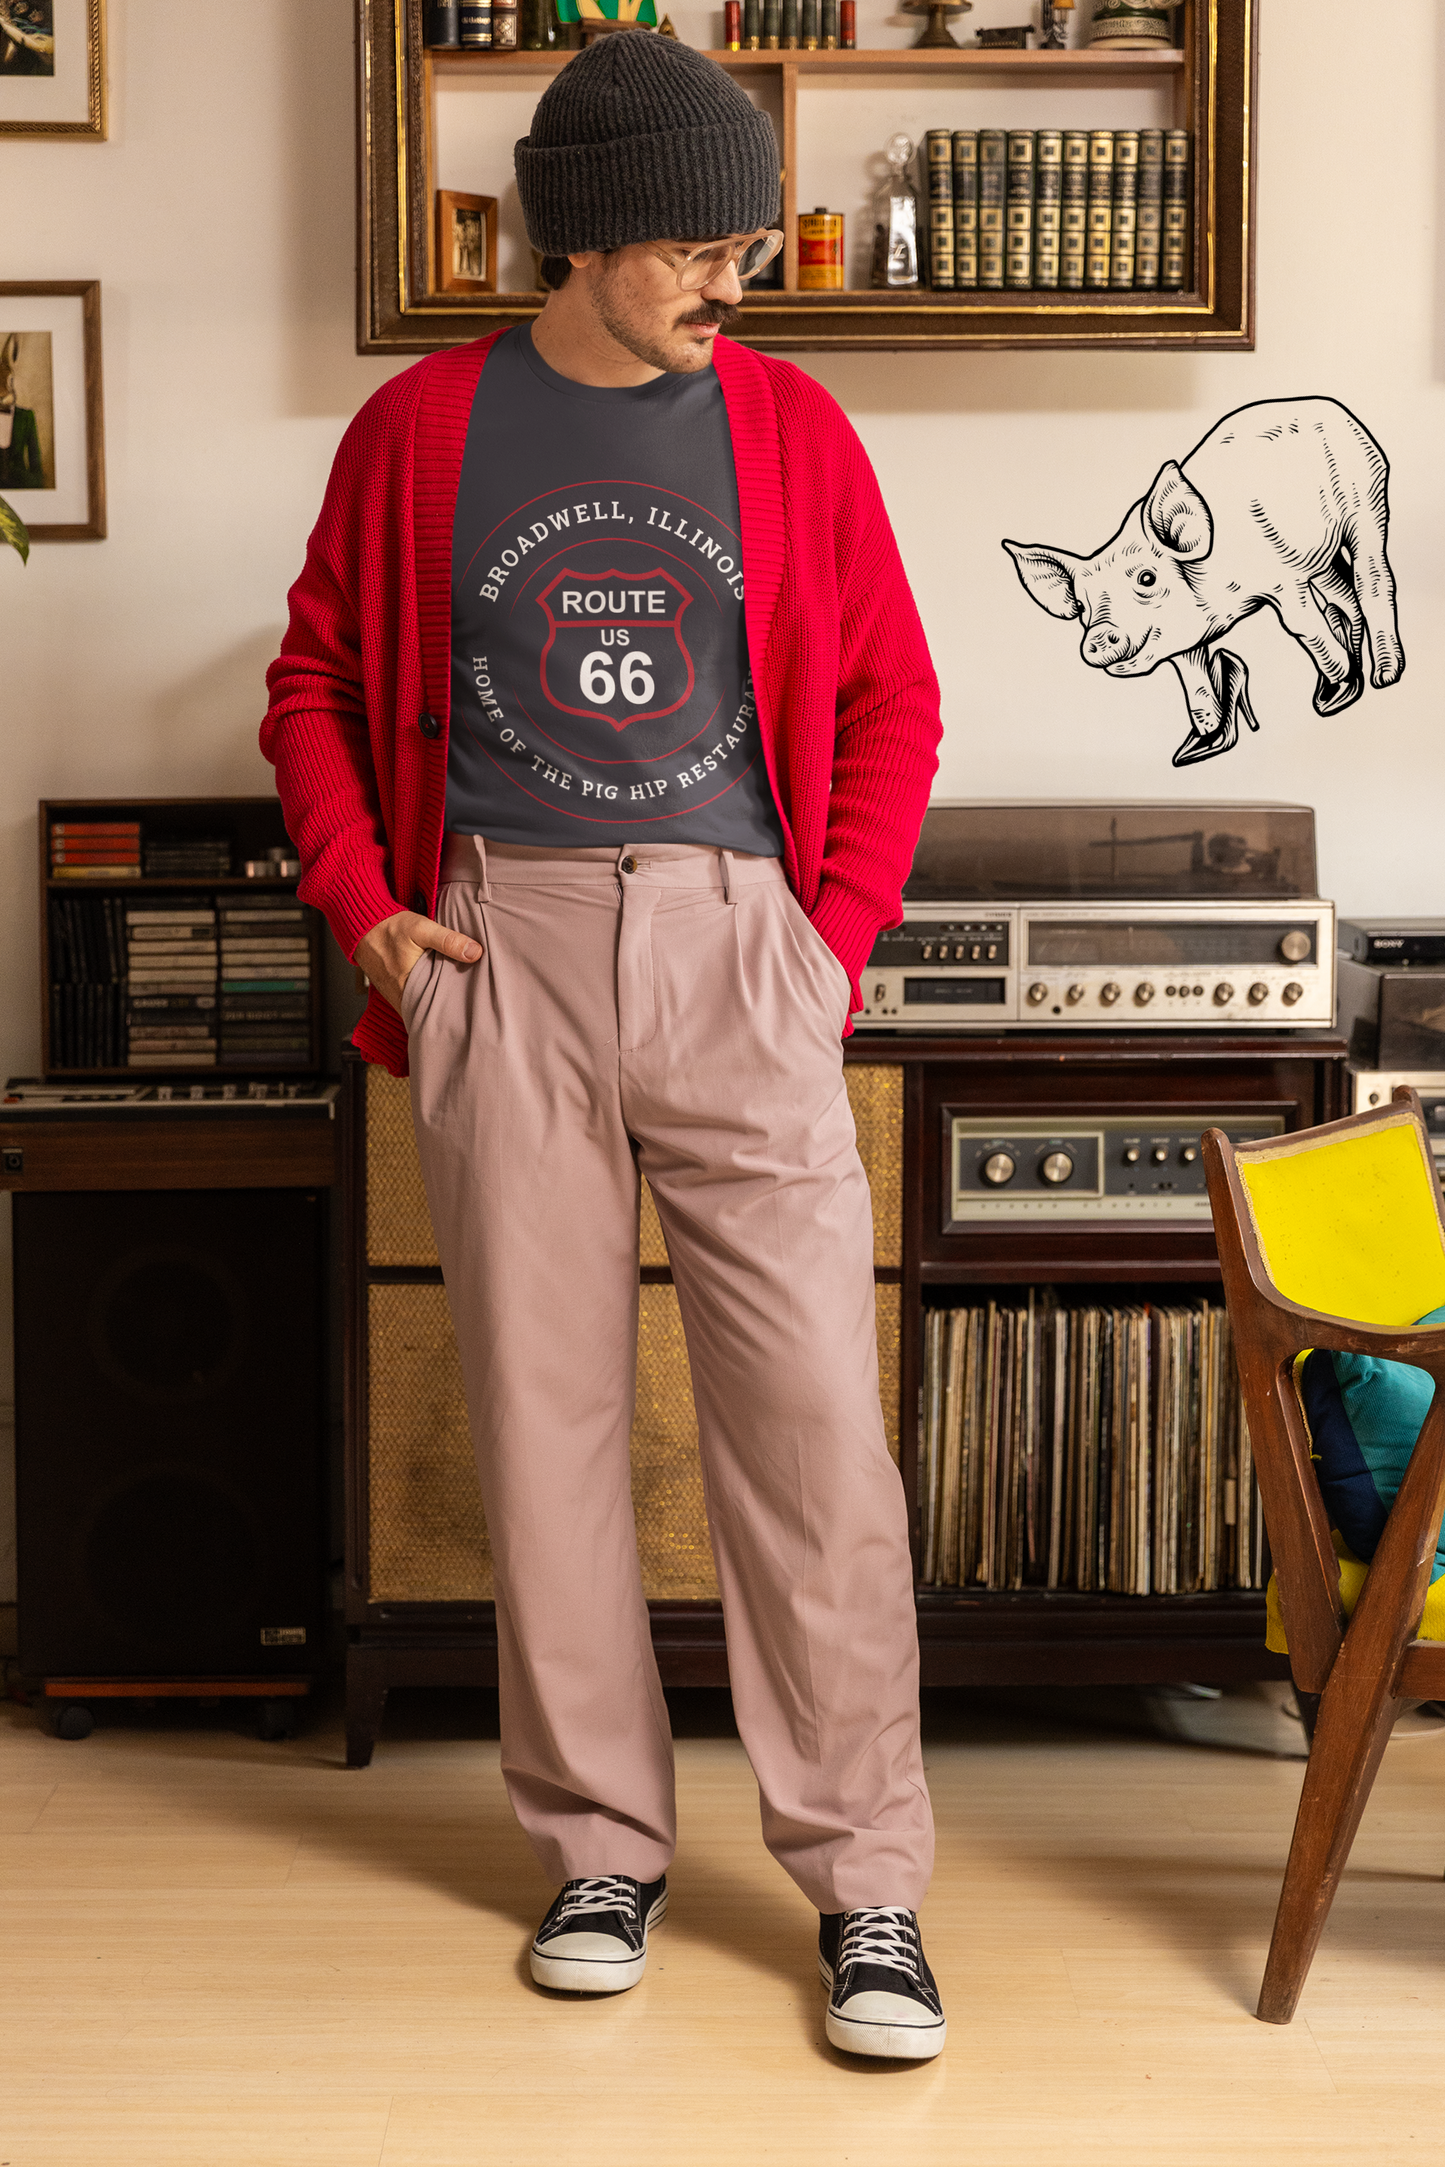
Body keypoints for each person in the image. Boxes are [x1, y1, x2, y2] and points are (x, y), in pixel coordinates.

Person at [263, 29, 945, 2062]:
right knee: (544, 1428)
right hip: (507, 948)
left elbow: (889, 706)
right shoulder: (418, 431)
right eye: (692, 251)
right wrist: (364, 907)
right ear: (579, 239)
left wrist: (822, 948)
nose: (729, 283)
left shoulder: (794, 429)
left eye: (742, 244)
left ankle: (869, 1892)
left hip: (743, 949)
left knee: (813, 1434)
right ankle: (596, 1845)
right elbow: (311, 677)